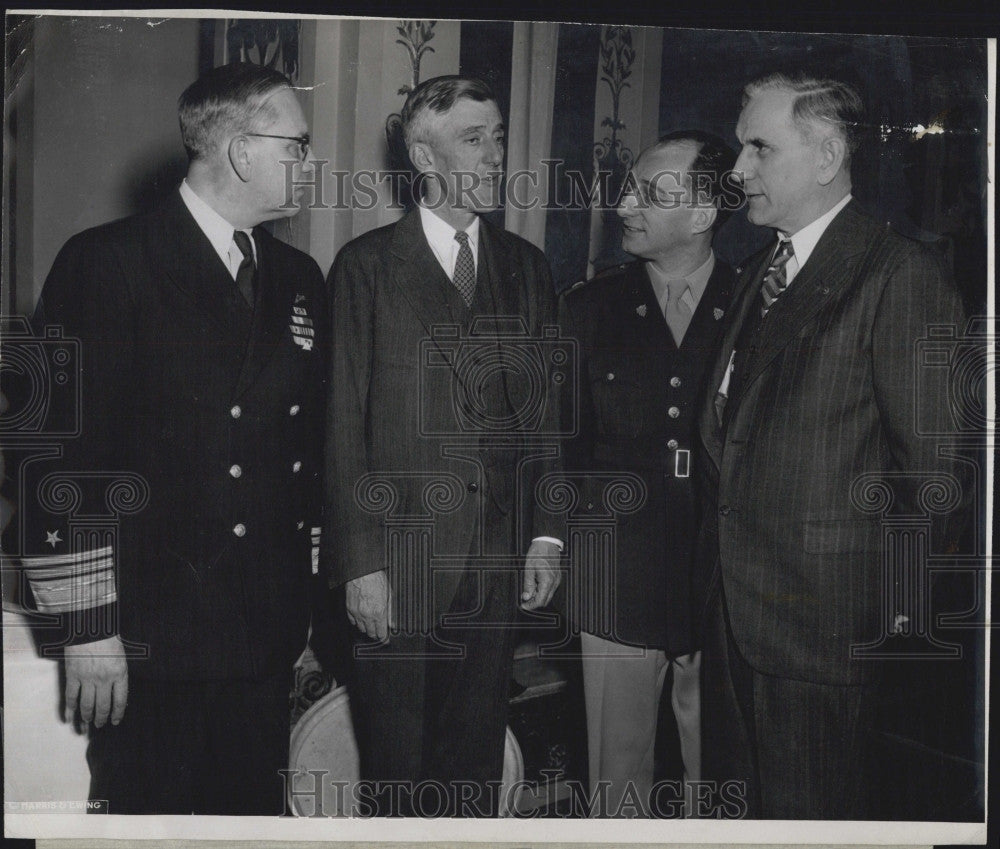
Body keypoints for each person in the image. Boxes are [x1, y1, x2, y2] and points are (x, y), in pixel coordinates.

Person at [21, 62, 326, 815]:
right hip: (152, 633)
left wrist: (307, 609)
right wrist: (90, 628)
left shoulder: (298, 273)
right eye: (298, 145)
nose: (311, 164)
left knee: (248, 819)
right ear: (241, 151)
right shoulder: (107, 261)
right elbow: (56, 456)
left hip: (261, 633)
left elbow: (304, 454)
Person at [696, 71, 970, 819]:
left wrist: (886, 622)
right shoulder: (760, 272)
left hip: (826, 642)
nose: (738, 170)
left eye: (759, 148)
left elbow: (941, 475)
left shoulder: (897, 275)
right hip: (735, 629)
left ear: (824, 157)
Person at [323, 75, 564, 817]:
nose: (495, 156)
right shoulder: (365, 269)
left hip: (496, 563)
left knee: (472, 769)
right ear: (423, 153)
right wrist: (360, 562)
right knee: (396, 771)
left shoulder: (526, 267)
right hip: (398, 564)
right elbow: (342, 425)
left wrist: (547, 534)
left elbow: (545, 416)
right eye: (473, 139)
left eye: (497, 137)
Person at [560, 131, 738, 817]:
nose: (623, 203)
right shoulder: (587, 307)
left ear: (701, 214)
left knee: (719, 777)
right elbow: (563, 447)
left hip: (719, 573)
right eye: (629, 186)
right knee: (616, 778)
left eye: (650, 192)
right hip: (616, 574)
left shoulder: (757, 305)